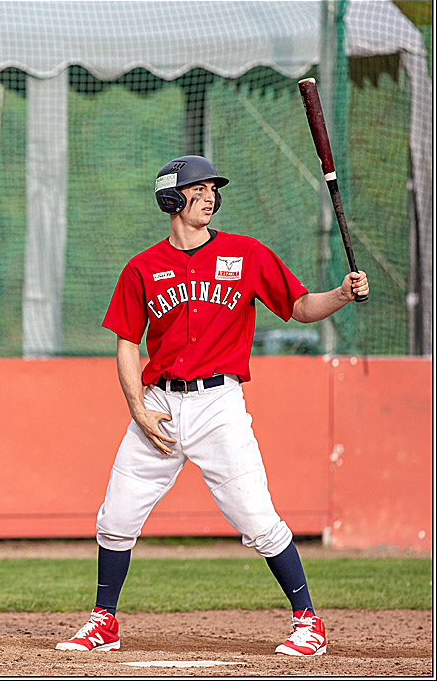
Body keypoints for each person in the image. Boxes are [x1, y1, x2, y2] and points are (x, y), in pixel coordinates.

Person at [55, 156, 369, 657]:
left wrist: (340, 295)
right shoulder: (141, 268)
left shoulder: (246, 255)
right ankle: (104, 622)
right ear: (170, 199)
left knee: (257, 518)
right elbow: (127, 344)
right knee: (115, 518)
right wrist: (137, 408)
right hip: (159, 404)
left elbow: (298, 306)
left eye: (212, 190)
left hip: (219, 405)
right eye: (197, 189)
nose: (210, 197)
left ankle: (308, 622)